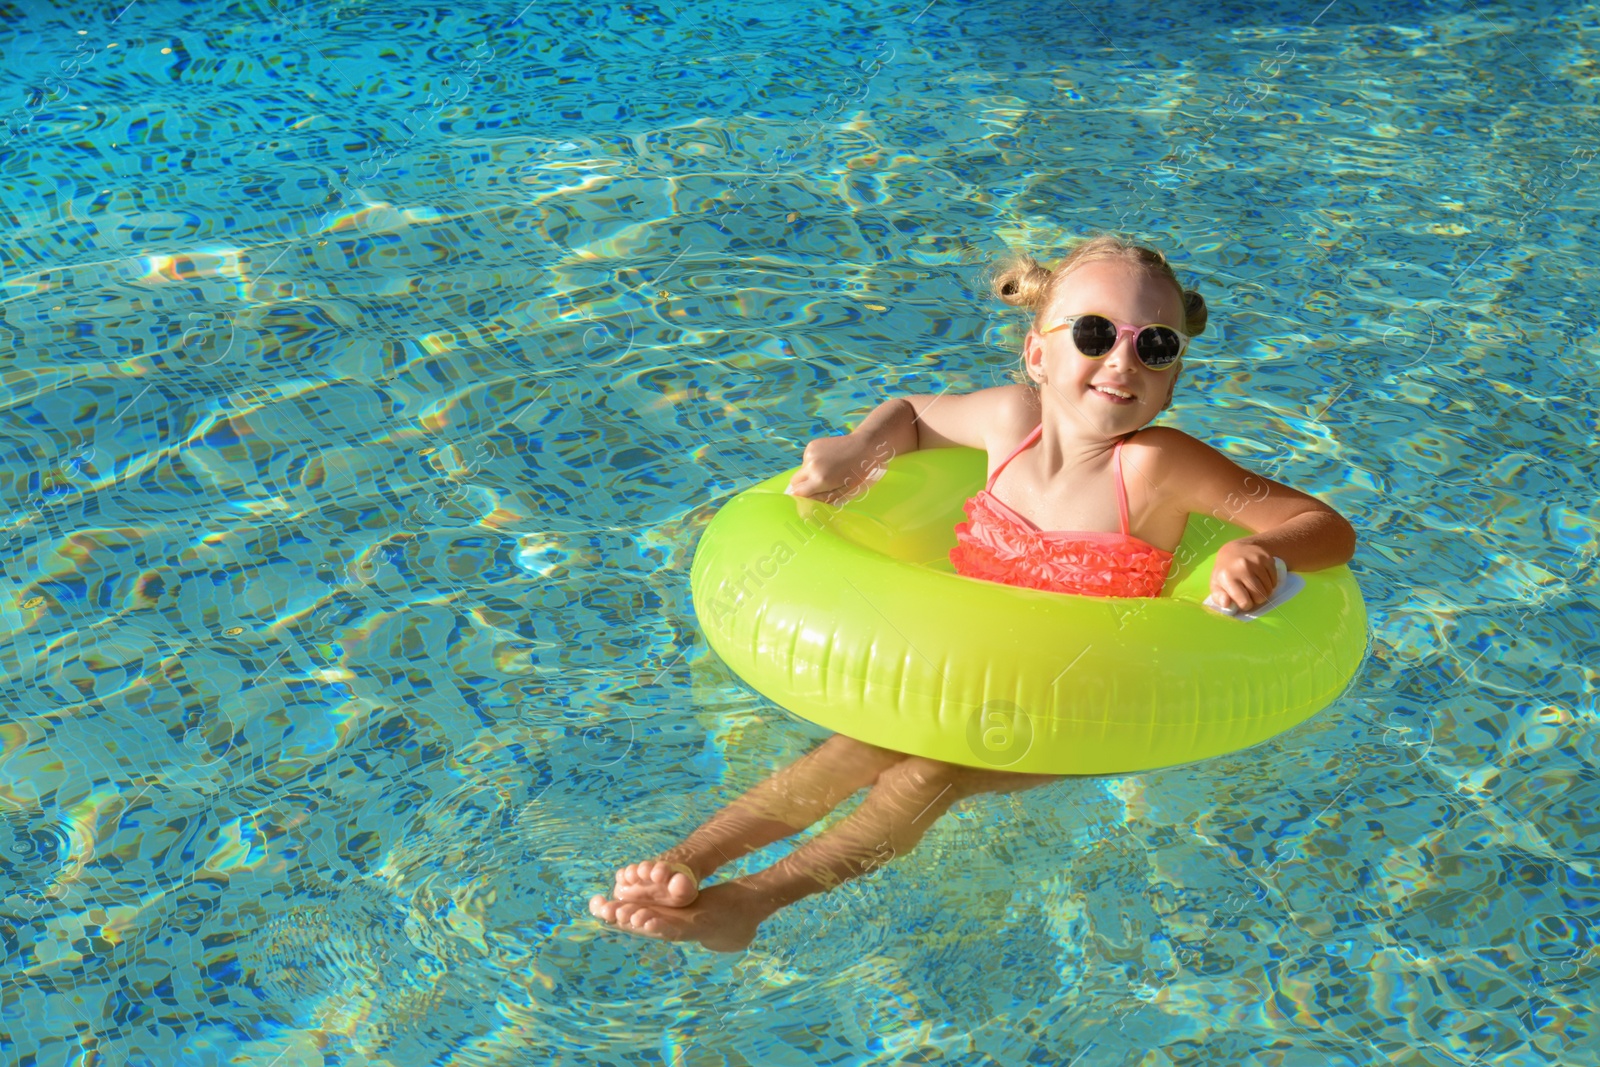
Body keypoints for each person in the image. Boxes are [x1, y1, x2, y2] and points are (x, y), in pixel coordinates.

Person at [588, 234, 1358, 952]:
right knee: (862, 739)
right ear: (1036, 352)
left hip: (1081, 700)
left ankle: (752, 903)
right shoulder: (1007, 421)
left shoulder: (1156, 465)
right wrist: (860, 448)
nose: (1122, 361)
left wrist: (1262, 548)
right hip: (961, 669)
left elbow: (1322, 524)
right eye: (1094, 334)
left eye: (1154, 347)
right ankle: (689, 858)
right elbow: (914, 414)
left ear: (1173, 374)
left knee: (927, 771)